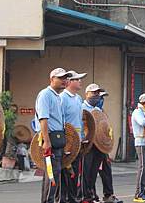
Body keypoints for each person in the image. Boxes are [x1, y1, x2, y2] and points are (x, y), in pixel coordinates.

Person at [35, 67, 71, 203]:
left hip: (58, 139)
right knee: (52, 175)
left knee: (55, 174)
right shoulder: (45, 94)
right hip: (50, 139)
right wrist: (46, 141)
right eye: (60, 78)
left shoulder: (57, 96)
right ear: (51, 79)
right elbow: (43, 119)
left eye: (65, 78)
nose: (64, 80)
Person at [59, 70, 87, 203]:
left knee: (75, 171)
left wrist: (82, 137)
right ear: (69, 82)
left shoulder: (79, 98)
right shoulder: (62, 98)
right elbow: (61, 121)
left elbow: (80, 121)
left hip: (78, 139)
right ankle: (64, 198)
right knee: (66, 171)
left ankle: (73, 197)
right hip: (67, 140)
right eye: (77, 79)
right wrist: (65, 142)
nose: (80, 81)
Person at [96, 90, 122, 203]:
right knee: (89, 174)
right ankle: (90, 196)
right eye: (100, 98)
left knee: (106, 170)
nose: (102, 100)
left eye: (103, 98)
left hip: (103, 146)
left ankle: (108, 195)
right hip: (92, 146)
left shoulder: (102, 112)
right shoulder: (87, 109)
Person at [81, 83, 105, 203]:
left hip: (98, 145)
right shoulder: (81, 108)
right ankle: (85, 195)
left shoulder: (98, 110)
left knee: (94, 171)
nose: (96, 95)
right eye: (93, 93)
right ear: (87, 94)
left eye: (97, 93)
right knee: (86, 170)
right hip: (87, 145)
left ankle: (90, 193)